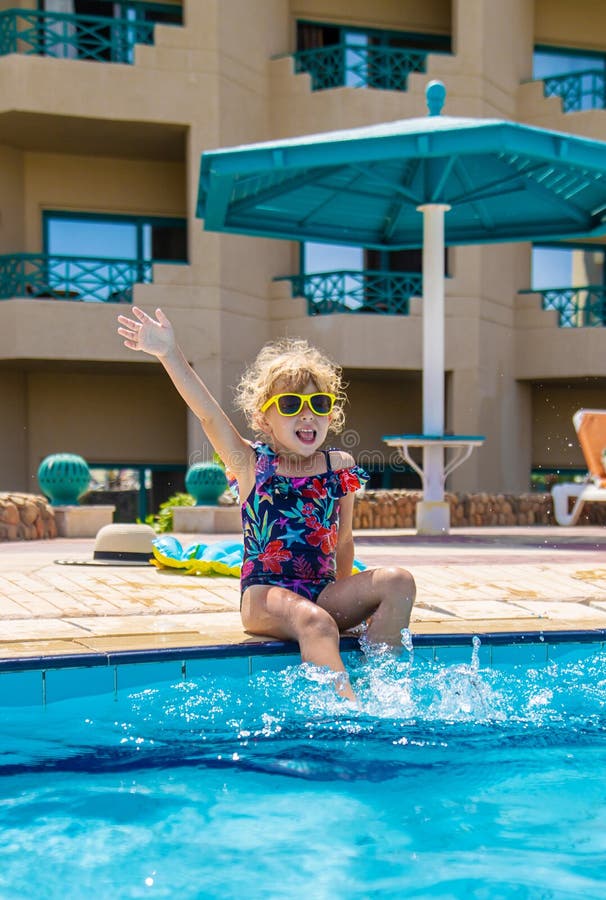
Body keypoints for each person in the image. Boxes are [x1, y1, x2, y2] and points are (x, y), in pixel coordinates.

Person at [117, 307, 415, 701]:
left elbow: (344, 542)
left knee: (399, 581)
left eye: (319, 404)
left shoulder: (338, 466)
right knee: (318, 625)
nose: (307, 414)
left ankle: (386, 690)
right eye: (291, 405)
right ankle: (348, 715)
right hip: (265, 597)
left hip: (322, 592)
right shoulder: (251, 464)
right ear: (264, 418)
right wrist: (169, 354)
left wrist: (349, 606)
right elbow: (208, 415)